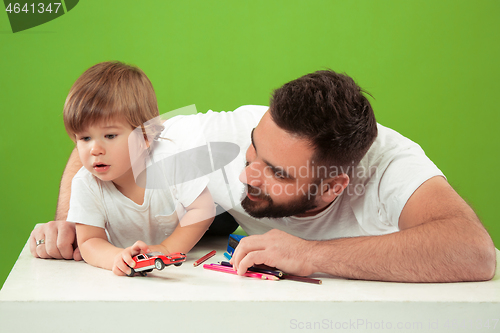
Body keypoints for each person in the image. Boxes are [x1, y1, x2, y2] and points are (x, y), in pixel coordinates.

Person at [30, 70, 496, 282]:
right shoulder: (229, 136)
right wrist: (68, 224)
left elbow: (475, 253)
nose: (248, 172)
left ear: (334, 184)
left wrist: (311, 255)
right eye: (255, 149)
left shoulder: (389, 165)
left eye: (274, 172)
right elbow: (108, 138)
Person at [51, 61, 215, 276]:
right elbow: (90, 240)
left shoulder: (169, 159)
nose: (95, 149)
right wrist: (116, 258)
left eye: (110, 136)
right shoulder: (85, 183)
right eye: (85, 138)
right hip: (129, 265)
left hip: (187, 250)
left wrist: (168, 248)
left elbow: (203, 209)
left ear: (145, 136)